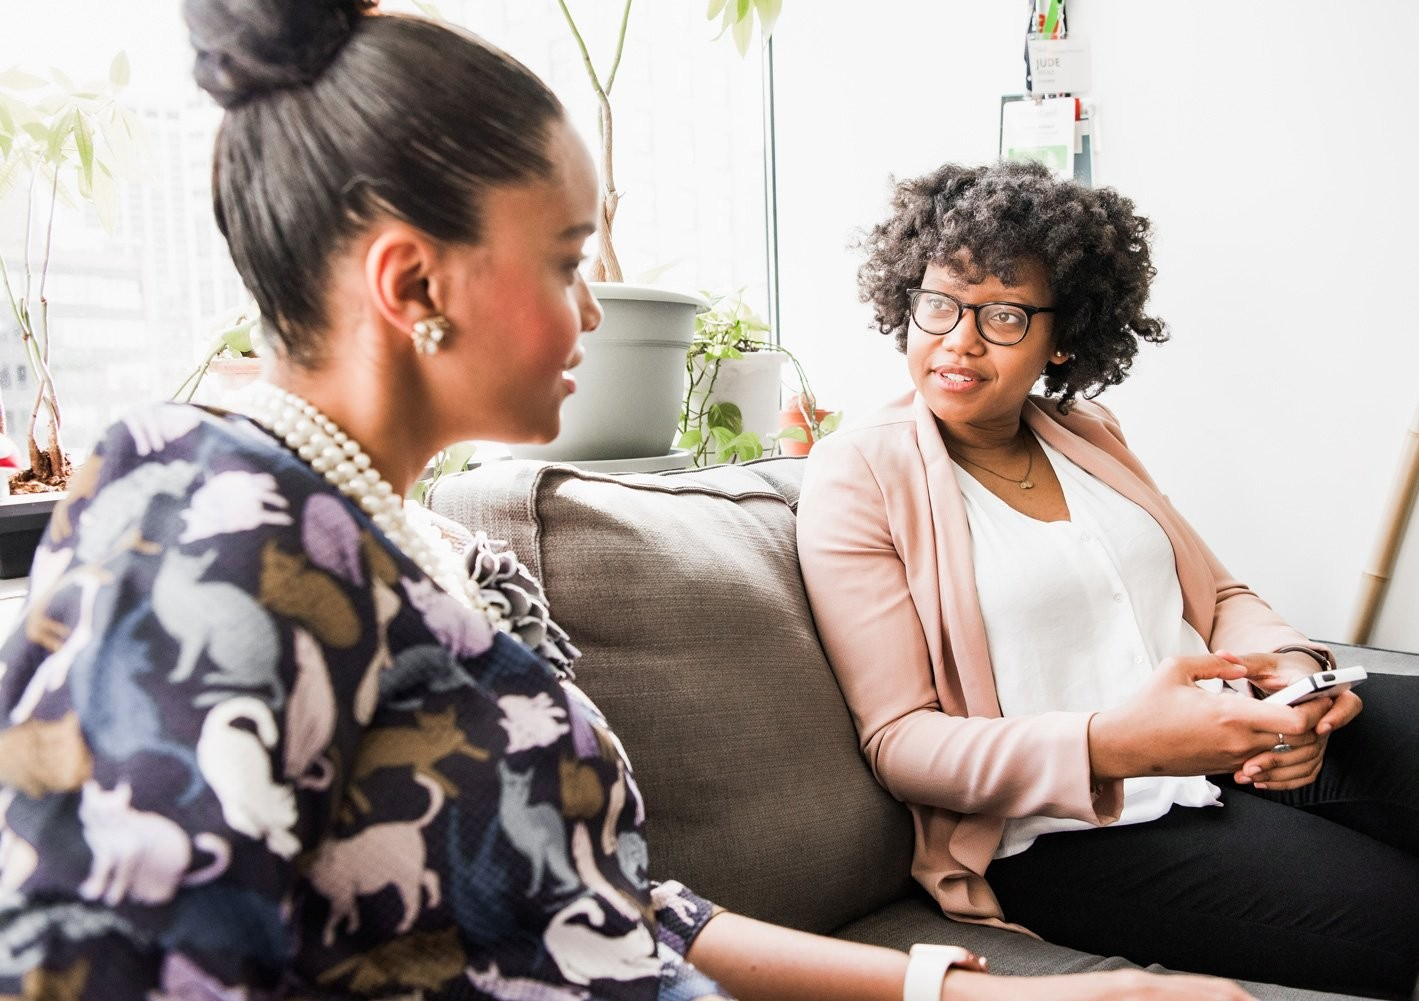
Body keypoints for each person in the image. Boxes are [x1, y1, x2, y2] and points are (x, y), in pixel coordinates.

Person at [0, 5, 1263, 999]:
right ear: (412, 280)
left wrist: (964, 988)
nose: (596, 311)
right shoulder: (198, 527)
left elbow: (605, 909)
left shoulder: (442, 560)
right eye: (567, 259)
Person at [795, 158, 1419, 1000]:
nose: (958, 338)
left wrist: (1299, 678)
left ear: (1063, 335)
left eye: (1004, 314)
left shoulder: (1085, 432)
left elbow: (1222, 596)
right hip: (1073, 829)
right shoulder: (857, 473)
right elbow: (900, 741)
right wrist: (1115, 743)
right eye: (938, 303)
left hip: (1235, 746)